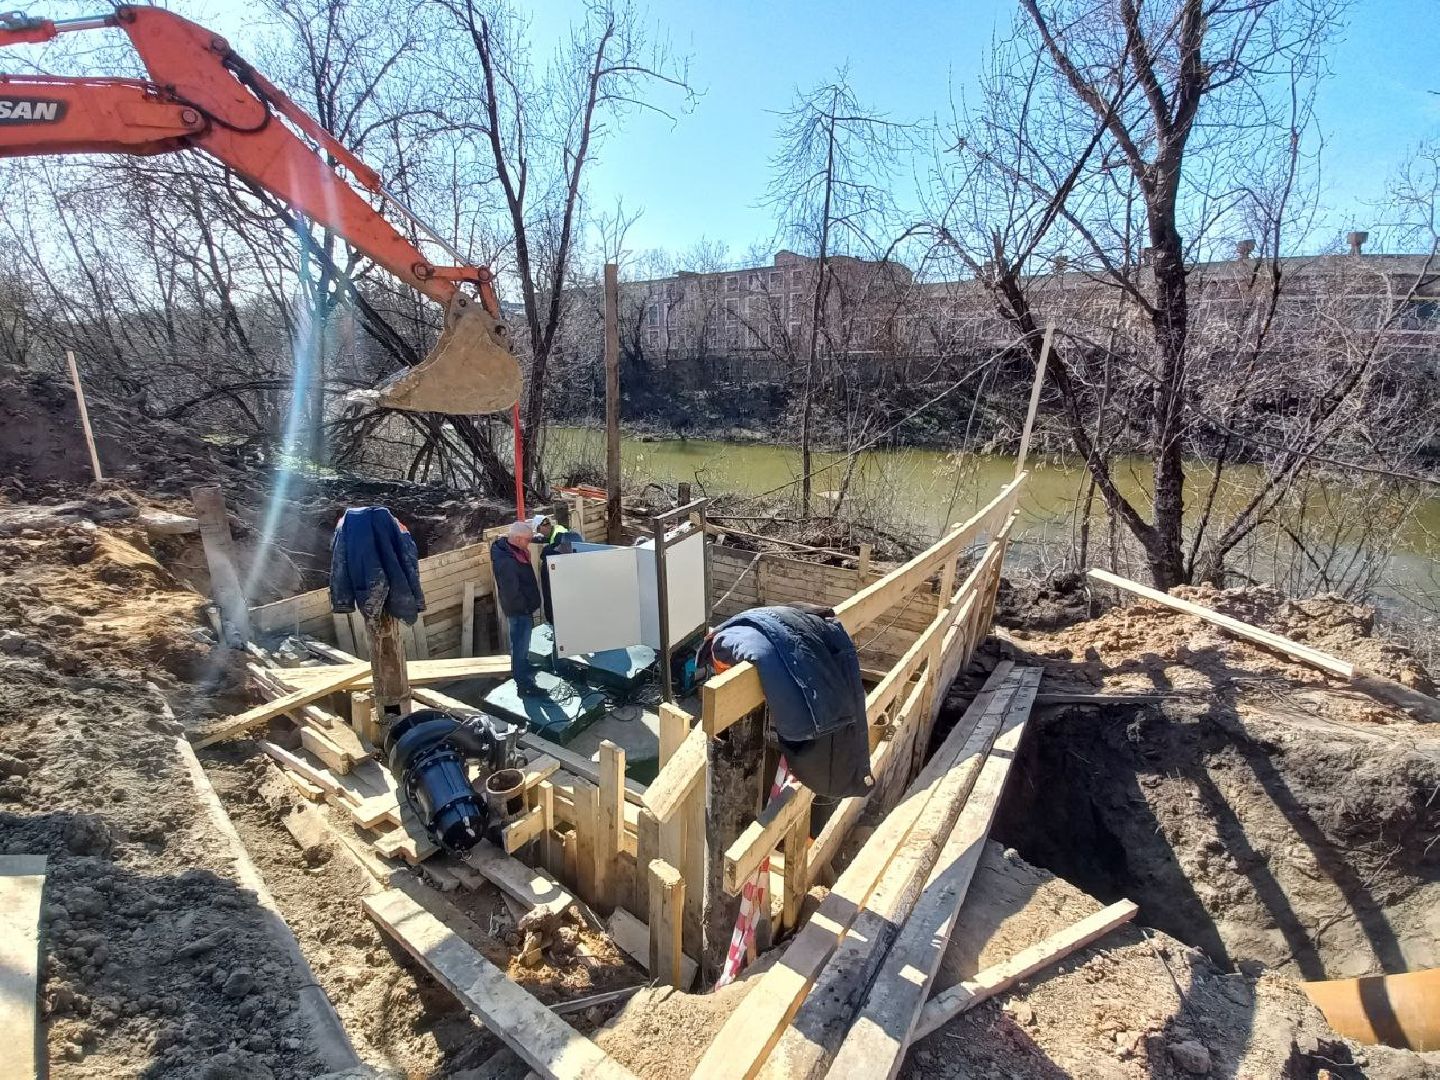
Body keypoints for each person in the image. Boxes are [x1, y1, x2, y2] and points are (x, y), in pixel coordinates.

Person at [491, 520, 544, 697]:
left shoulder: (512, 550)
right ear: (518, 539)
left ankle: (525, 668)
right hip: (519, 610)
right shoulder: (507, 561)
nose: (529, 543)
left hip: (522, 608)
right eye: (527, 540)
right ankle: (524, 685)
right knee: (519, 645)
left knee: (523, 643)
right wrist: (526, 608)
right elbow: (511, 591)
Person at [531, 515, 576, 624]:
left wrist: (546, 551)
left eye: (538, 529)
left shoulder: (558, 534)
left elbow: (562, 548)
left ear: (543, 526)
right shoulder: (555, 531)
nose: (539, 533)